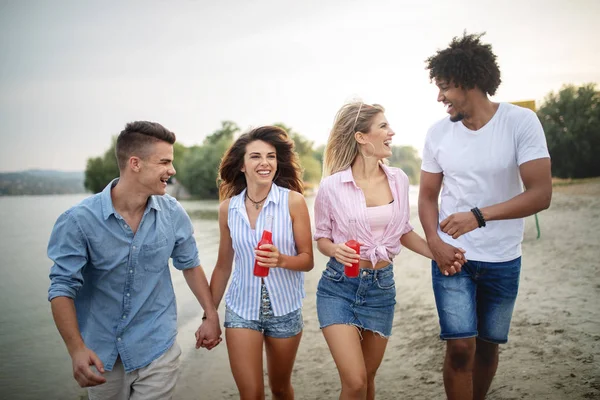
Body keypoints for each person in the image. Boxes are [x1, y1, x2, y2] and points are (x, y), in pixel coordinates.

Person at [419, 32, 552, 400]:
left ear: (468, 82)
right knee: (461, 347)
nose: (439, 96)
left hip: (503, 257)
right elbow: (428, 196)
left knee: (488, 347)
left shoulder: (520, 123)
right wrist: (435, 244)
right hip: (453, 258)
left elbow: (541, 194)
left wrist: (479, 216)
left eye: (445, 87)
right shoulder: (437, 134)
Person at [47, 121, 221, 400]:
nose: (172, 170)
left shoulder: (173, 213)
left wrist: (210, 315)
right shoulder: (78, 221)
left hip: (156, 345)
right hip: (101, 353)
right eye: (164, 162)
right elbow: (61, 289)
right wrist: (76, 349)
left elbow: (189, 264)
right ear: (135, 163)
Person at [313, 102, 464, 400]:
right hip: (339, 287)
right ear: (361, 137)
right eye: (383, 126)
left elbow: (403, 231)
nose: (391, 132)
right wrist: (336, 250)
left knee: (368, 379)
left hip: (381, 288)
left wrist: (439, 253)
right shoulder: (331, 187)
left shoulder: (399, 179)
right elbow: (321, 238)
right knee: (354, 382)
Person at [208, 126, 314, 399]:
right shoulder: (226, 209)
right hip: (242, 309)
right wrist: (209, 315)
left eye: (271, 156)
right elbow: (222, 266)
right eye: (255, 156)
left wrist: (281, 260)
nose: (265, 162)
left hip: (284, 309)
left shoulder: (294, 202)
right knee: (251, 394)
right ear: (242, 165)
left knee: (280, 389)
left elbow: (307, 260)